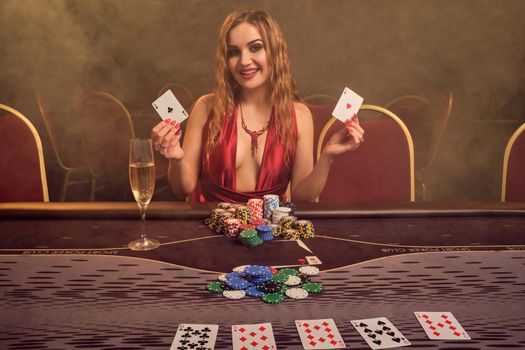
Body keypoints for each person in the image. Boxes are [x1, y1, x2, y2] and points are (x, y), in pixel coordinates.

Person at [151, 9, 364, 203]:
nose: (244, 61)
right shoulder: (206, 107)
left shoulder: (299, 115)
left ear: (275, 51)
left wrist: (328, 157)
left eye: (255, 48)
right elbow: (183, 189)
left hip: (269, 232)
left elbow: (302, 196)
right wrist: (177, 159)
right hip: (210, 230)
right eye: (233, 52)